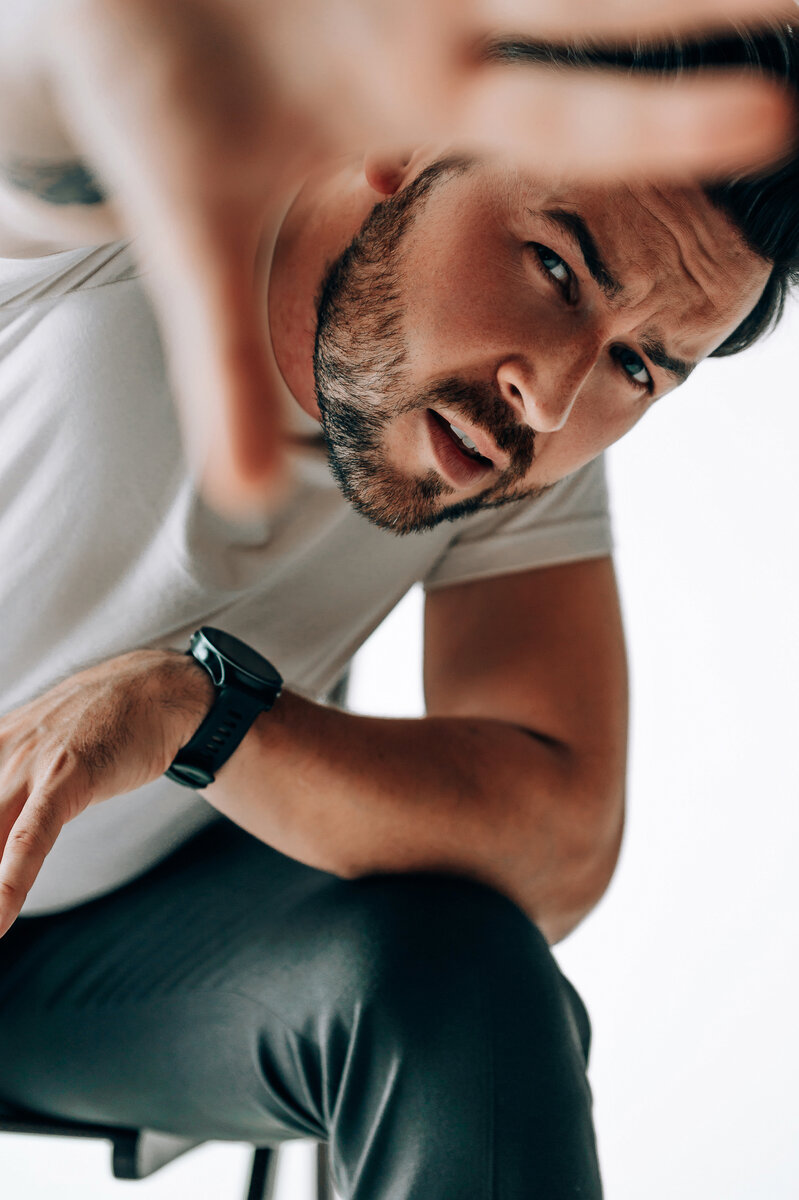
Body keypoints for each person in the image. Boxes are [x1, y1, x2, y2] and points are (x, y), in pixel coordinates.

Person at [0, 7, 797, 1198]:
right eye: (556, 267)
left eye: (638, 366)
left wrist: (203, 716)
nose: (551, 397)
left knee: (461, 979)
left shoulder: (500, 437)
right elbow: (54, 77)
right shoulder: (118, 188)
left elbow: (560, 833)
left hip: (76, 960)